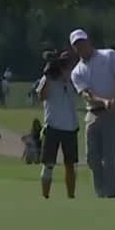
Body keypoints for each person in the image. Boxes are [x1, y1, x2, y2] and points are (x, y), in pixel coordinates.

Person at [68, 28, 115, 199]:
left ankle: (110, 195)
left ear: (89, 41)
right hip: (93, 113)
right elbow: (86, 94)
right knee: (91, 158)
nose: (81, 47)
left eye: (82, 42)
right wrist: (103, 101)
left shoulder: (109, 55)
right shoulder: (77, 72)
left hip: (114, 112)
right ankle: (100, 193)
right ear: (74, 48)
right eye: (77, 45)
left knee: (109, 157)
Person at [35, 51, 80, 198]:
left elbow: (79, 91)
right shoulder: (48, 79)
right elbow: (41, 96)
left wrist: (66, 78)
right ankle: (45, 196)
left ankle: (71, 196)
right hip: (52, 126)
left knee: (70, 165)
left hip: (70, 127)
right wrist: (48, 77)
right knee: (48, 164)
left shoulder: (74, 78)